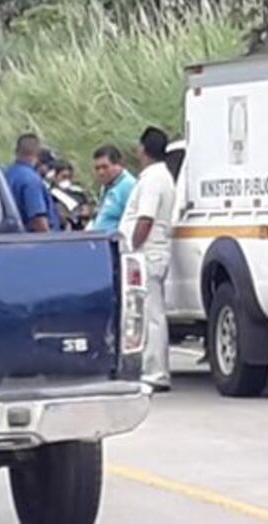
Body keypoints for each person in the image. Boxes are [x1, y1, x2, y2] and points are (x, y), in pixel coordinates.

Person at [120, 127, 177, 392]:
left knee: (152, 314)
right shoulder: (155, 177)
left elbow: (146, 218)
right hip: (148, 253)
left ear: (143, 149)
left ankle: (156, 371)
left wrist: (132, 246)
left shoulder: (154, 179)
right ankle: (149, 367)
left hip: (147, 253)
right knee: (146, 312)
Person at [4, 134, 62, 232]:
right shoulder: (31, 180)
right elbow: (38, 220)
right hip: (33, 241)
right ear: (38, 153)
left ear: (16, 151)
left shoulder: (6, 174)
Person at [87, 145, 135, 233]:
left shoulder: (128, 186)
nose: (101, 172)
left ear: (118, 165)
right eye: (97, 168)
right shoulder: (107, 186)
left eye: (105, 167)